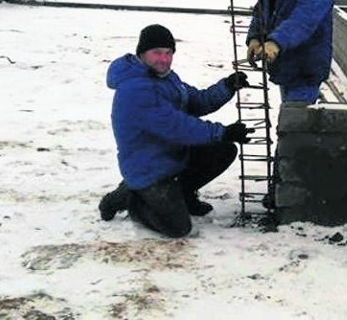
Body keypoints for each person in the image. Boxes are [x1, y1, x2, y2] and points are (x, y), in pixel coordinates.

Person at [98, 24, 252, 238]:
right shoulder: (135, 89)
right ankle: (132, 199)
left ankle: (184, 194)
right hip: (148, 168)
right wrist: (221, 131)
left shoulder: (166, 78)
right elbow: (176, 126)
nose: (164, 59)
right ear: (141, 54)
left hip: (171, 156)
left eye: (169, 53)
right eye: (157, 53)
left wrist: (226, 87)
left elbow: (196, 102)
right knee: (178, 228)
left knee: (223, 150)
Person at [246, 0, 334, 104]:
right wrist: (255, 37)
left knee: (295, 124)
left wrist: (276, 42)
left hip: (306, 67)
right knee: (290, 120)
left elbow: (303, 20)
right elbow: (262, 11)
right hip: (286, 66)